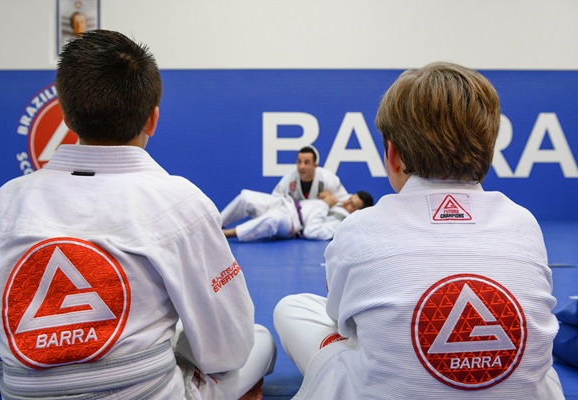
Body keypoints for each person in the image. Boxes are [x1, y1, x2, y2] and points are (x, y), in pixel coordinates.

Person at [0, 30, 275, 400]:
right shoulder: (178, 201)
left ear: (68, 118)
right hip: (151, 393)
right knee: (258, 342)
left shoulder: (6, 202)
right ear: (152, 120)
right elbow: (229, 349)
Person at [274, 62, 564, 399]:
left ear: (393, 155)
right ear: (488, 151)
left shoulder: (361, 228)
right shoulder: (524, 225)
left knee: (295, 310)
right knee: (545, 370)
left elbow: (341, 321)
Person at [222, 190, 373, 242]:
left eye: (352, 204)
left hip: (293, 223)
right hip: (288, 204)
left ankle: (227, 234)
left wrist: (324, 205)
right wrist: (326, 197)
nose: (347, 203)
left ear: (357, 212)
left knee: (273, 219)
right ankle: (216, 223)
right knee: (246, 197)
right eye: (349, 199)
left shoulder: (340, 223)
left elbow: (311, 232)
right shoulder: (339, 201)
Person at [272, 146, 349, 203]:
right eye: (299, 162)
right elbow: (274, 199)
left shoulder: (328, 179)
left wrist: (333, 200)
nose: (301, 166)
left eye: (306, 162)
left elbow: (346, 202)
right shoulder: (290, 178)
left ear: (315, 165)